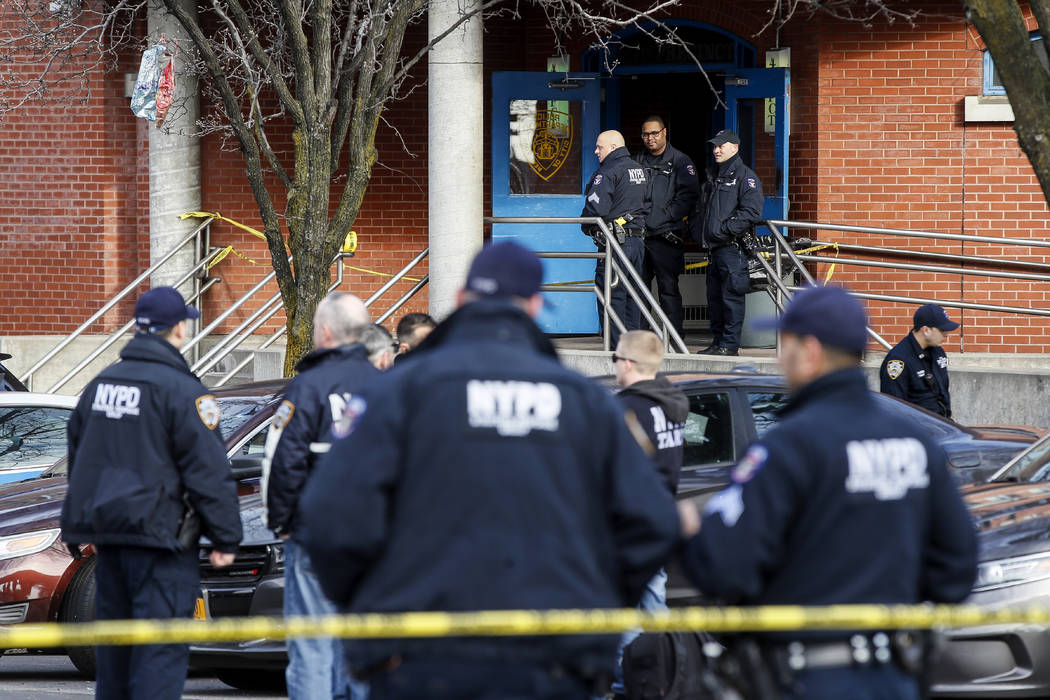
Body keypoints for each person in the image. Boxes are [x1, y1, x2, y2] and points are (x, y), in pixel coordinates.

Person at [298, 241, 680, 699]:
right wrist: (594, 607)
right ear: (535, 306)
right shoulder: (585, 404)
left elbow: (328, 513)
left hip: (422, 659)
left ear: (461, 299)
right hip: (552, 660)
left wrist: (374, 611)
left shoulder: (398, 394)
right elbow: (651, 521)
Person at [679, 285, 977, 699]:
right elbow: (958, 567)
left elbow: (722, 566)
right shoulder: (915, 442)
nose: (781, 358)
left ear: (811, 350)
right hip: (893, 674)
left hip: (807, 676)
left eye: (787, 345)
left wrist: (696, 531)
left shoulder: (788, 447)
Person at [60, 286, 242, 700]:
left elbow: (78, 458)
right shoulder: (182, 390)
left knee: (116, 659)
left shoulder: (99, 386)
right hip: (161, 544)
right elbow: (209, 470)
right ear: (178, 329)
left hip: (107, 543)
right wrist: (225, 536)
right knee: (158, 658)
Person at [262, 291, 376, 700]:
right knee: (363, 644)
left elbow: (282, 460)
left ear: (325, 331)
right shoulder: (390, 387)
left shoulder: (308, 386)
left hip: (317, 537)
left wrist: (282, 522)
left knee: (312, 645)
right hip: (375, 543)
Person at [609, 329, 688, 697]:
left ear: (626, 363)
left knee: (622, 614)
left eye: (615, 359)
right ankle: (661, 677)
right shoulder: (671, 403)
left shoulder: (625, 410)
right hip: (659, 521)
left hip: (625, 529)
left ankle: (630, 682)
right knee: (653, 609)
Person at [693, 130, 764, 356]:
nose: (716, 150)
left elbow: (751, 212)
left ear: (734, 147)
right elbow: (701, 210)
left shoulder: (745, 177)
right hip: (714, 249)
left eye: (721, 146)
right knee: (714, 299)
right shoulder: (714, 175)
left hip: (732, 249)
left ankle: (729, 345)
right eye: (714, 146)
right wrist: (699, 232)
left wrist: (723, 231)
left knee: (731, 298)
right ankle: (718, 342)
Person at [582, 130, 649, 348]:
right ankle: (633, 349)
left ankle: (616, 352)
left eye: (599, 147)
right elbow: (648, 205)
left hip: (615, 244)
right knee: (632, 297)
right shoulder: (640, 170)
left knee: (612, 297)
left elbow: (595, 209)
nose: (596, 151)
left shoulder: (608, 172)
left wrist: (586, 226)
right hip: (637, 243)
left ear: (612, 147)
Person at [635, 117, 699, 339]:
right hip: (641, 236)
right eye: (645, 134)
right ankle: (641, 337)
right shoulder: (637, 161)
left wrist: (663, 218)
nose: (650, 138)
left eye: (654, 133)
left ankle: (673, 337)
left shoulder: (681, 162)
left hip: (666, 237)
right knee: (638, 290)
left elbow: (688, 198)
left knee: (668, 290)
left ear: (664, 132)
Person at [879, 304, 959, 418]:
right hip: (916, 431)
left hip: (941, 426)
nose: (947, 334)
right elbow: (893, 410)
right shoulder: (898, 360)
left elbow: (943, 394)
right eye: (942, 330)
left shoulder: (938, 352)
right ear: (925, 330)